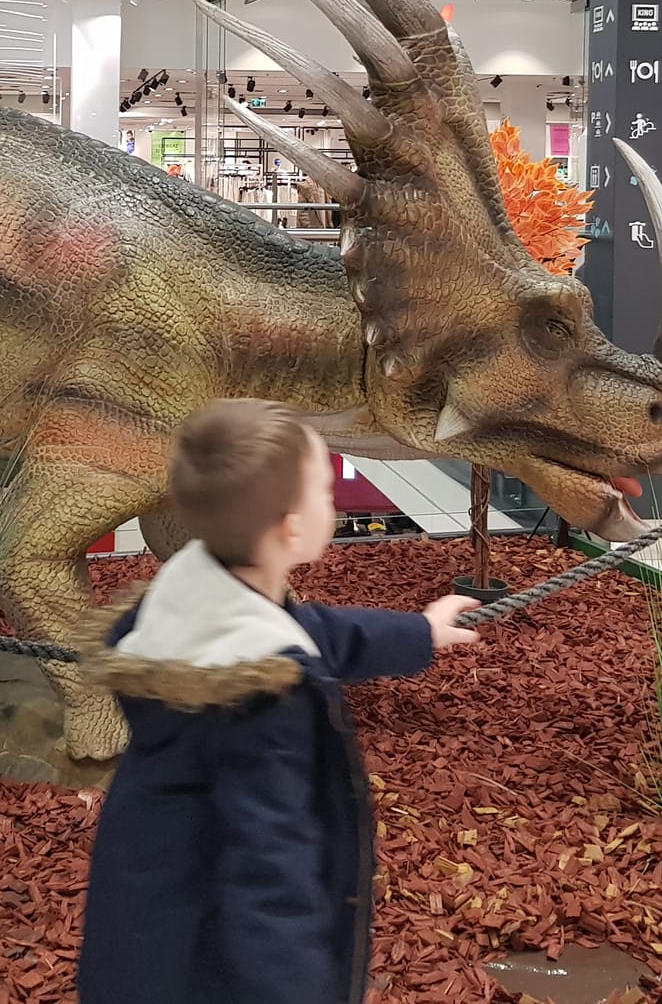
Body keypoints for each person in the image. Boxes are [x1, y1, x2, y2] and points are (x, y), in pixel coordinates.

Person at [76, 398, 480, 1004]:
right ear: (291, 528)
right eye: (325, 490)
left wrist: (418, 632)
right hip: (201, 973)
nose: (334, 499)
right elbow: (272, 870)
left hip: (143, 935)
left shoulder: (194, 599)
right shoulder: (259, 699)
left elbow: (311, 630)